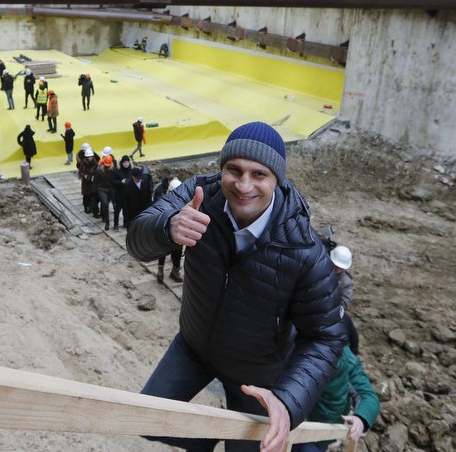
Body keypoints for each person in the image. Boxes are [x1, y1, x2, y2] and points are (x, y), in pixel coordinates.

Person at [127, 122, 346, 452]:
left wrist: (288, 402)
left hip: (257, 373)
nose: (244, 185)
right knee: (146, 420)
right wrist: (167, 228)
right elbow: (136, 242)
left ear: (277, 179)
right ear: (222, 169)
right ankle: (206, 437)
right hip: (193, 344)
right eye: (234, 170)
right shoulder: (198, 196)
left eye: (259, 174)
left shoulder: (303, 250)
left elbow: (325, 337)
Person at [295, 346, 379, 452]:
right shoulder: (296, 342)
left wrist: (360, 419)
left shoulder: (347, 360)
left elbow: (368, 396)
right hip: (289, 421)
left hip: (320, 433)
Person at [331, 245, 360, 356]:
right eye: (335, 266)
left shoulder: (346, 282)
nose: (337, 270)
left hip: (332, 310)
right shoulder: (320, 268)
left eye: (340, 268)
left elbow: (344, 302)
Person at [155, 176, 184, 284]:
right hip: (165, 230)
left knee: (177, 253)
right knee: (163, 251)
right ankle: (160, 271)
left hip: (178, 231)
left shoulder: (182, 198)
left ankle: (174, 272)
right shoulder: (162, 198)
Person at [93, 154, 115, 232]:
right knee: (105, 202)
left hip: (110, 189)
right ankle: (106, 221)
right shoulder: (98, 170)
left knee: (106, 203)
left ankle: (103, 215)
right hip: (101, 189)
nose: (107, 167)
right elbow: (95, 181)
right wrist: (94, 191)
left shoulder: (113, 170)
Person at [111, 154, 133, 229]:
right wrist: (121, 182)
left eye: (127, 162)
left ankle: (126, 223)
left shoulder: (131, 171)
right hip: (119, 194)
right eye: (125, 162)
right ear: (122, 163)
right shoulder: (117, 171)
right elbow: (112, 181)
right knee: (117, 210)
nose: (126, 164)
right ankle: (116, 224)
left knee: (126, 211)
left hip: (128, 195)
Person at [77, 145, 99, 215]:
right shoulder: (83, 163)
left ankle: (91, 207)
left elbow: (96, 170)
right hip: (86, 182)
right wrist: (85, 176)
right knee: (86, 195)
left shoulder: (94, 162)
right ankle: (86, 207)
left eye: (91, 156)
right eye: (89, 157)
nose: (90, 158)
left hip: (92, 181)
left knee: (92, 195)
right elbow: (80, 173)